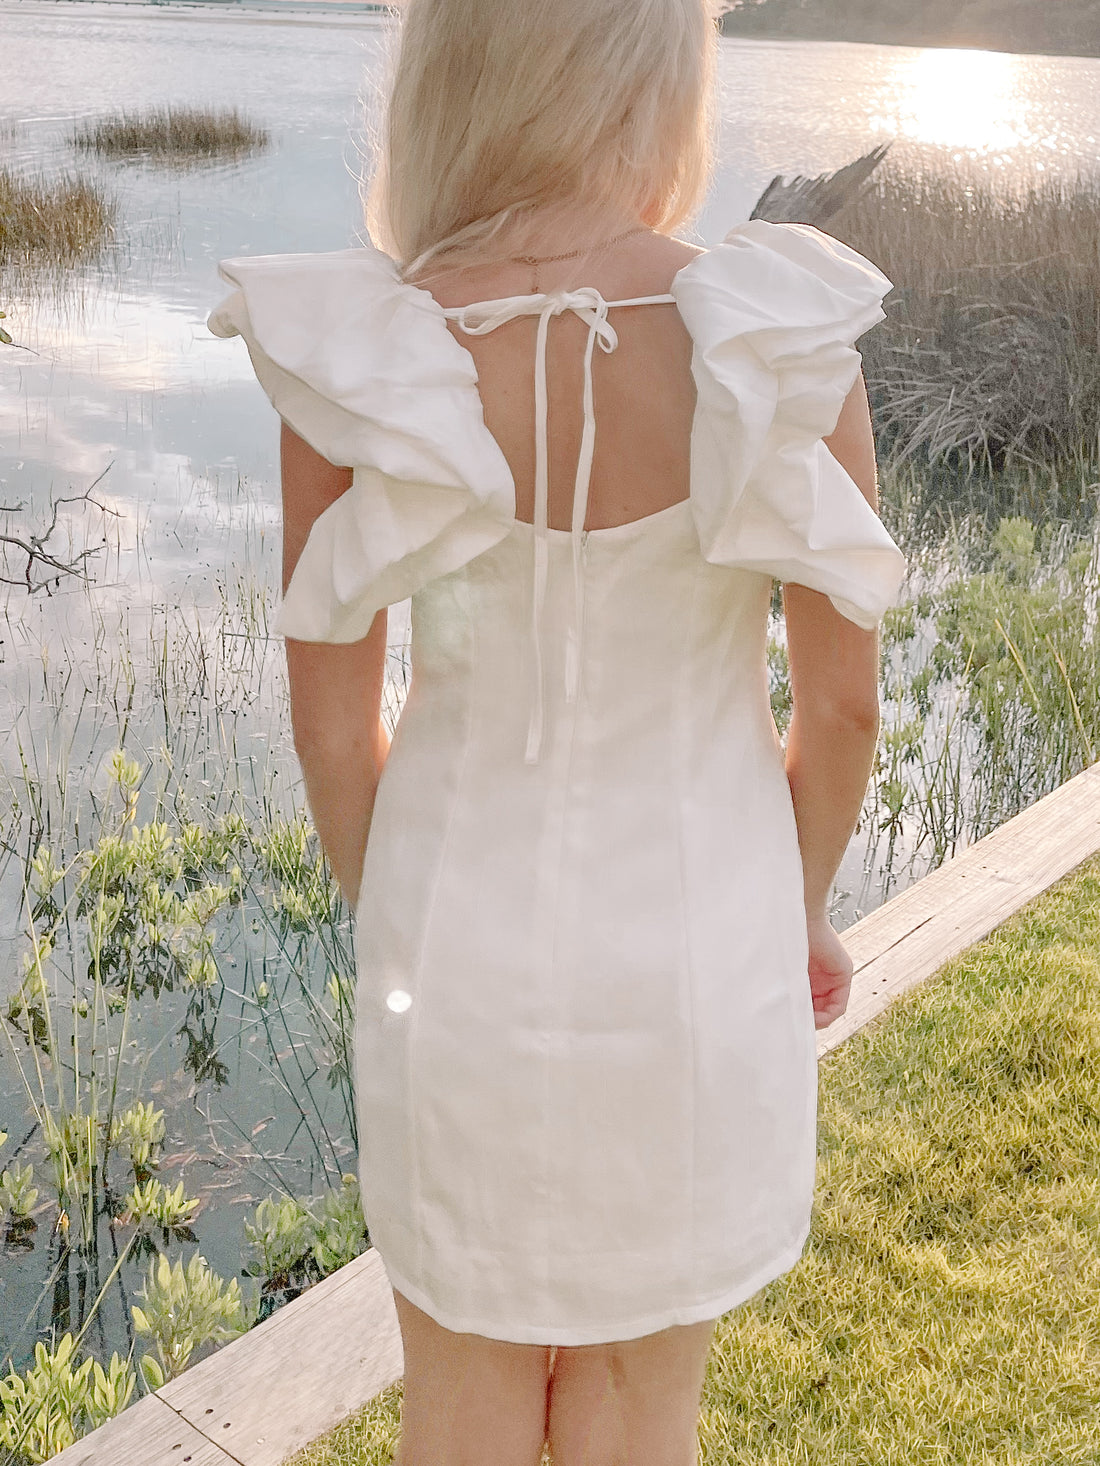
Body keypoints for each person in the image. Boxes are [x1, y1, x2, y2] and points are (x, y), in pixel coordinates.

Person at [209, 1, 906, 1461]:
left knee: (458, 1404)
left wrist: (403, 912)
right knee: (640, 1413)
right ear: (657, 76)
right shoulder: (771, 335)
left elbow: (333, 734)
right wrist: (793, 909)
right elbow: (841, 704)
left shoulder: (361, 351)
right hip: (700, 953)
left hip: (450, 946)